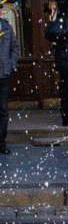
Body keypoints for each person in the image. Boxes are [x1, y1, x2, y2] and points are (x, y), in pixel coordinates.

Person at [0, 14, 20, 155]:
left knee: (3, 111)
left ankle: (1, 143)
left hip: (3, 75)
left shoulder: (7, 27)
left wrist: (11, 65)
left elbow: (15, 47)